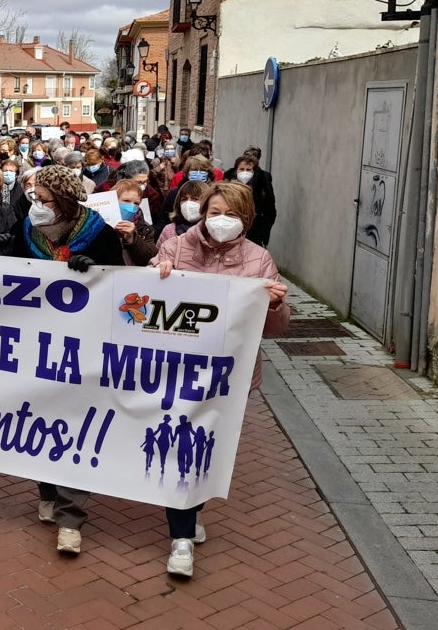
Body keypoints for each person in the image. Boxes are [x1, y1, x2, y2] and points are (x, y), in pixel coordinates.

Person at [0, 166, 150, 555]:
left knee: (73, 425)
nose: (36, 206)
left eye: (43, 199)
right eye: (33, 198)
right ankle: (46, 492)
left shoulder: (100, 234)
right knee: (39, 421)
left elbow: (118, 284)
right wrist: (0, 252)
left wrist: (93, 269)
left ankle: (71, 517)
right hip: (37, 343)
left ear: (63, 201)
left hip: (83, 348)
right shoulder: (29, 231)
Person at [151, 181, 290, 578]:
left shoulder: (259, 259)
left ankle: (192, 509)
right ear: (202, 214)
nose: (221, 221)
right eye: (215, 213)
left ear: (245, 219)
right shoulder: (176, 248)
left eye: (231, 214)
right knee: (180, 446)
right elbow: (144, 308)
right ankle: (179, 537)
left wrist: (277, 305)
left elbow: (275, 328)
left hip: (228, 379)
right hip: (175, 372)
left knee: (205, 450)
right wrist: (154, 276)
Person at [236, 150, 277, 247]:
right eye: (241, 169)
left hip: (254, 232)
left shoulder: (262, 185)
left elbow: (270, 212)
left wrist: (263, 235)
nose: (244, 172)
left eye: (248, 169)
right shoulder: (228, 184)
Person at [157, 180, 210, 247]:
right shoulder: (169, 230)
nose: (188, 203)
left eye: (195, 199)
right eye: (184, 199)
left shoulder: (212, 230)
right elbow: (159, 255)